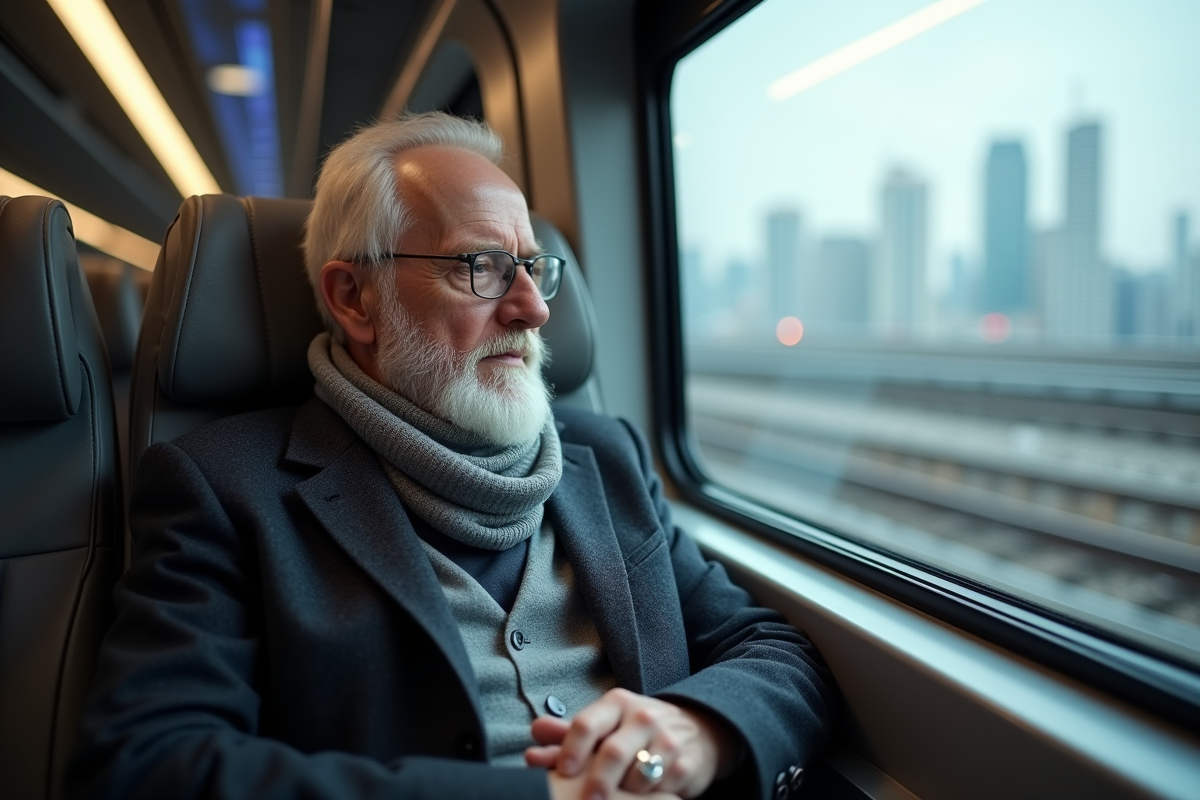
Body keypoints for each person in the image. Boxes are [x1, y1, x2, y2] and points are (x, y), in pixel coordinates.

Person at [67, 113, 835, 800]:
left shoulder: (607, 457)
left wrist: (699, 729)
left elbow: (773, 651)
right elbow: (148, 765)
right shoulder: (222, 487)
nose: (534, 308)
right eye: (481, 267)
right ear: (354, 298)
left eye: (533, 267)